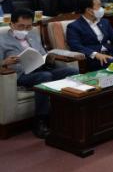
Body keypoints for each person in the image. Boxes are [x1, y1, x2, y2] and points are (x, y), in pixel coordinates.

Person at [0, 8, 78, 138]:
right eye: (21, 26)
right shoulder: (2, 40)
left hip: (41, 69)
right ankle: (40, 120)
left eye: (28, 26)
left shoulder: (33, 34)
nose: (25, 30)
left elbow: (42, 54)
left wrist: (48, 58)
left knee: (72, 71)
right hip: (19, 75)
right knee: (45, 76)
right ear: (11, 24)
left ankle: (66, 114)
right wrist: (4, 62)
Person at [66, 0, 113, 71]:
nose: (102, 8)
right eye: (99, 6)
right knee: (111, 63)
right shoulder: (74, 26)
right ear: (89, 10)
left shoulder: (104, 22)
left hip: (111, 52)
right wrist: (95, 54)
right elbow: (75, 46)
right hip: (93, 58)